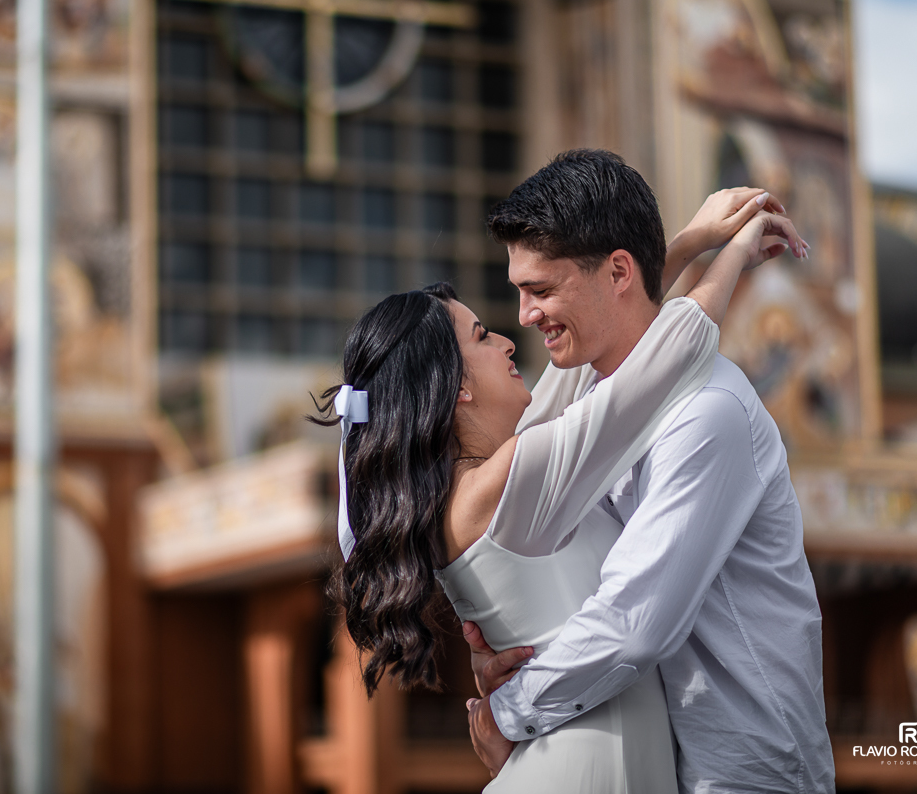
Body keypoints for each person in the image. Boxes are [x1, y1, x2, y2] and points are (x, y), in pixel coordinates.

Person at [316, 153, 805, 790]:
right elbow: (657, 357)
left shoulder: (482, 478)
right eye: (482, 336)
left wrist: (681, 245)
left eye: (539, 291)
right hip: (587, 763)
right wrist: (729, 252)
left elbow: (603, 359)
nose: (514, 330)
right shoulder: (511, 472)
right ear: (457, 388)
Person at [462, 149, 835, 793]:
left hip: (744, 774)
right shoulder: (588, 400)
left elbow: (632, 625)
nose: (523, 316)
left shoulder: (707, 414)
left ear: (617, 272)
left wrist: (509, 710)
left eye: (541, 290)